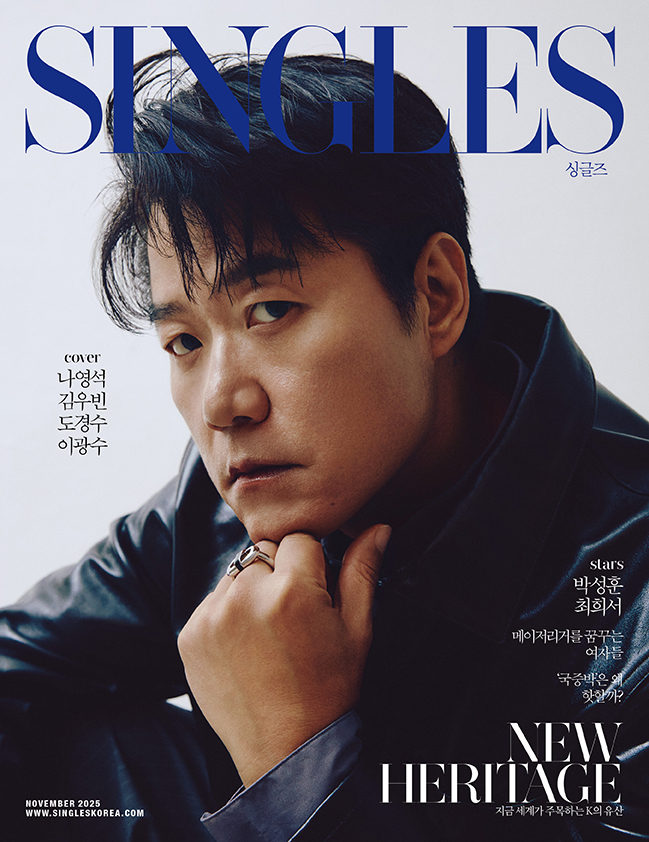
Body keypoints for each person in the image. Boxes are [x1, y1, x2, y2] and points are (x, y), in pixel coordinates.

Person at [2, 52, 648, 842]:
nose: (222, 404)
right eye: (183, 342)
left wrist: (295, 760)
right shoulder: (221, 501)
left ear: (435, 295)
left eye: (270, 310)